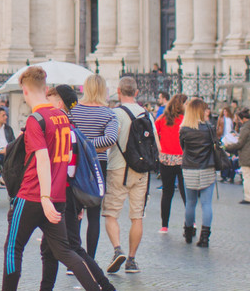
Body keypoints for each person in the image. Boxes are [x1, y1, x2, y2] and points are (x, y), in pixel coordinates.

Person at [0, 66, 122, 291]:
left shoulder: (36, 120)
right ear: (46, 89)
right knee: (65, 250)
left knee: (13, 248)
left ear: (24, 91)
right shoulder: (62, 117)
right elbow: (67, 159)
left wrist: (43, 196)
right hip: (58, 195)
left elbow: (42, 158)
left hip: (34, 194)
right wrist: (54, 195)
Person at [102, 77, 153, 273]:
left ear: (118, 91)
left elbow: (109, 140)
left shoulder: (114, 114)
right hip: (140, 170)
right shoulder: (147, 114)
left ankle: (117, 249)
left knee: (111, 213)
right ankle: (132, 260)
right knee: (137, 216)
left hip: (117, 167)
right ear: (137, 92)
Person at [67, 75, 118, 259]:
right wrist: (94, 145)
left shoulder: (73, 112)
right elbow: (111, 139)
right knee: (94, 214)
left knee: (75, 212)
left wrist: (82, 144)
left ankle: (75, 258)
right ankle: (90, 259)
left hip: (76, 163)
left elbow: (67, 136)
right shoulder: (109, 113)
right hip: (98, 165)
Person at [175, 97, 219, 248]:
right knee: (206, 204)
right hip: (207, 167)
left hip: (190, 168)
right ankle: (205, 237)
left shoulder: (184, 130)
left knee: (190, 203)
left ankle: (188, 232)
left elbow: (183, 148)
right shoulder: (209, 128)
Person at [153, 93, 187, 232]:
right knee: (185, 192)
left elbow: (154, 132)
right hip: (182, 158)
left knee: (167, 193)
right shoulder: (185, 119)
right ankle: (191, 221)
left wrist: (159, 148)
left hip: (166, 158)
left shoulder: (162, 118)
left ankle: (164, 225)